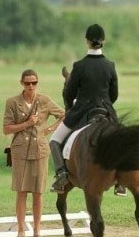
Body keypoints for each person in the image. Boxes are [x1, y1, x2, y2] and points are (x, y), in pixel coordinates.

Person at [49, 23, 126, 196]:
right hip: (106, 111)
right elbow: (114, 94)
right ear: (103, 41)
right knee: (123, 141)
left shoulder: (79, 66)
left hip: (81, 111)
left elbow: (69, 93)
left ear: (87, 41)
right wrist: (104, 105)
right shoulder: (110, 65)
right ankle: (120, 181)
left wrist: (72, 106)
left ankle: (61, 176)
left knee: (54, 141)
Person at [3, 69, 65, 237]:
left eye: (34, 82)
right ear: (21, 83)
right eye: (27, 83)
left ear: (37, 83)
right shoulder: (12, 102)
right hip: (20, 150)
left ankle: (37, 231)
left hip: (40, 150)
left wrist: (50, 129)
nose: (31, 86)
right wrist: (27, 123)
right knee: (21, 191)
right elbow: (6, 129)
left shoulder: (44, 100)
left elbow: (64, 115)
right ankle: (21, 231)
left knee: (38, 192)